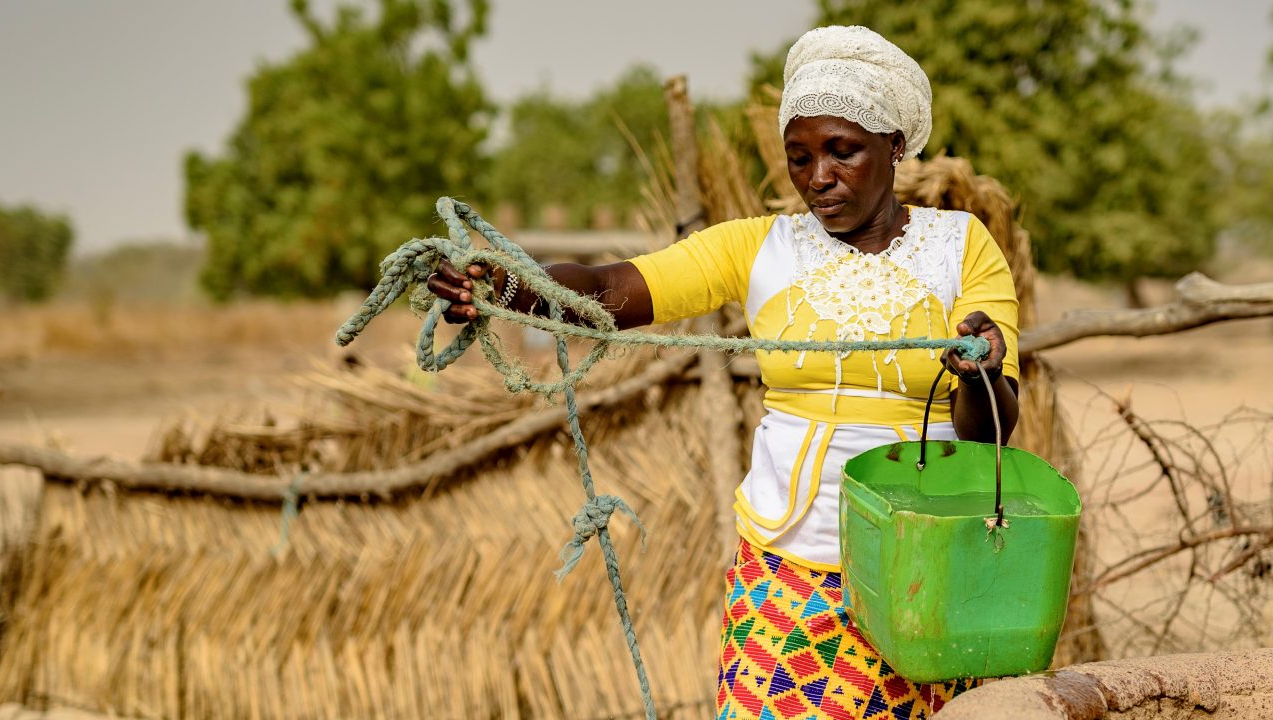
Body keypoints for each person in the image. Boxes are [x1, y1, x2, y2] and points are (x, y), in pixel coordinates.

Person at [429, 26, 1020, 720]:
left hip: (927, 567)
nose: (817, 178)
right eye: (798, 158)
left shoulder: (961, 247)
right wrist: (512, 286)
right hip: (788, 570)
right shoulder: (758, 246)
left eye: (843, 151)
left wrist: (977, 369)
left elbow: (993, 429)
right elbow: (610, 287)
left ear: (895, 145)